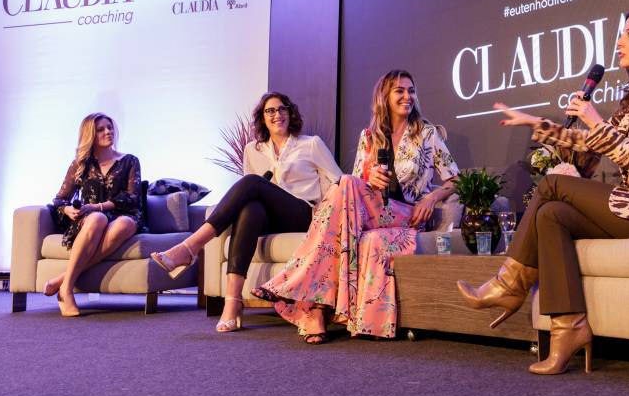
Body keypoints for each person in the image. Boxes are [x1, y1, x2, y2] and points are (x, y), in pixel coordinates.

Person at [458, 5, 629, 374]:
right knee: (552, 215)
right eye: (621, 33)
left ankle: (509, 284)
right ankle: (569, 329)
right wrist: (536, 123)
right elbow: (588, 143)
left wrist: (596, 121)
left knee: (556, 184)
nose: (619, 42)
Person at [253, 69, 459, 343]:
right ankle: (317, 306)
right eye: (400, 91)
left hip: (406, 214)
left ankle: (313, 305)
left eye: (411, 90)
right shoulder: (370, 136)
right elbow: (355, 188)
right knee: (349, 182)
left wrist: (431, 198)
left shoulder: (426, 133)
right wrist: (369, 177)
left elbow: (456, 179)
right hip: (372, 213)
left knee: (346, 184)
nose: (407, 96)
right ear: (384, 97)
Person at [151, 92, 342, 332]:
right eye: (270, 111)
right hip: (270, 217)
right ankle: (233, 301)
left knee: (252, 182)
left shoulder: (310, 143)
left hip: (302, 213)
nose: (277, 114)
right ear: (262, 118)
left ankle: (190, 247)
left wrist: (327, 211)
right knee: (250, 208)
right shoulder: (253, 149)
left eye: (282, 109)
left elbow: (338, 181)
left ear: (290, 113)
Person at [46, 113, 144, 317]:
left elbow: (132, 197)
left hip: (123, 215)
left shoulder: (130, 161)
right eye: (101, 129)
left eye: (110, 127)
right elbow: (59, 199)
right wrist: (67, 209)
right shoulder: (81, 165)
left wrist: (98, 206)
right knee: (97, 219)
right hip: (91, 220)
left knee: (122, 224)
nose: (108, 132)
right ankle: (67, 290)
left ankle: (63, 281)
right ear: (90, 134)